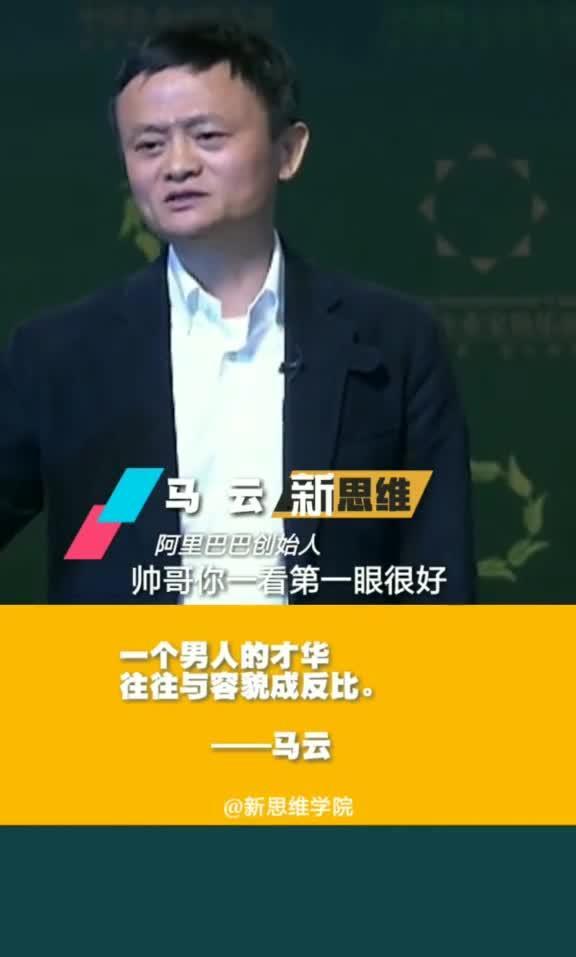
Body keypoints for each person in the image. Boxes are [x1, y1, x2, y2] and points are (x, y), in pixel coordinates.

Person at [0, 17, 476, 604]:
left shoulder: (393, 342)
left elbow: (438, 573)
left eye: (207, 136)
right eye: (148, 145)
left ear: (287, 150)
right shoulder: (60, 354)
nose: (177, 165)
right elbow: (98, 532)